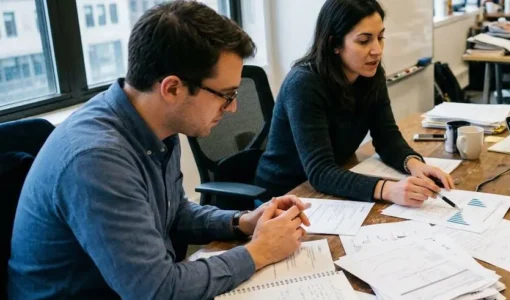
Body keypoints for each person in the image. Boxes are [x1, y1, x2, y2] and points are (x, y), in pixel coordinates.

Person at [8, 2, 312, 299]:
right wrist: (257, 252)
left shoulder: (155, 123)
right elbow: (155, 290)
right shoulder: (96, 159)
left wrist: (240, 221)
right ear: (172, 88)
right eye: (226, 95)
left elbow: (173, 211)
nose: (233, 108)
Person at [255, 0, 454, 207]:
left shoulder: (370, 76)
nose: (377, 50)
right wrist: (388, 189)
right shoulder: (304, 84)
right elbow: (320, 172)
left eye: (380, 37)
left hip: (328, 189)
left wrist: (414, 164)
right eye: (364, 41)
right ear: (334, 44)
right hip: (283, 195)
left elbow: (387, 137)